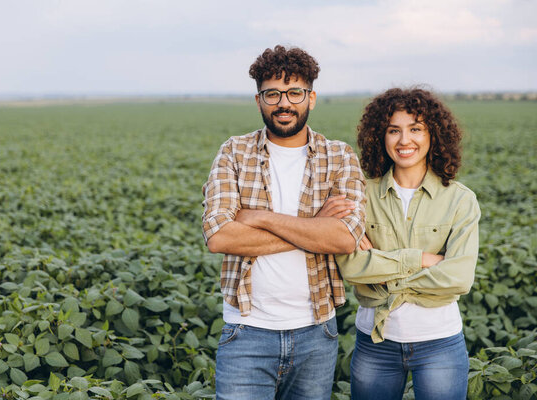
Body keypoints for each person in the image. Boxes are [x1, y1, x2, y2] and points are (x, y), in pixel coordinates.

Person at [201, 45, 366, 399]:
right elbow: (218, 236)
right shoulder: (234, 152)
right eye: (272, 93)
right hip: (246, 332)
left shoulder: (339, 155)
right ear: (259, 99)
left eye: (295, 92)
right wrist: (314, 227)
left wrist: (259, 218)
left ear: (312, 97)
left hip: (315, 334)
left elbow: (345, 238)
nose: (284, 103)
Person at [333, 88, 480, 400]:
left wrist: (382, 267)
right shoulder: (362, 194)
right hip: (375, 343)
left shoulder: (460, 199)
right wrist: (424, 259)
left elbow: (459, 277)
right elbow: (352, 267)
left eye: (415, 129)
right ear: (380, 136)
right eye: (393, 130)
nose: (404, 141)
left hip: (440, 342)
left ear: (433, 135)